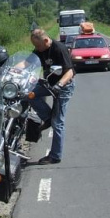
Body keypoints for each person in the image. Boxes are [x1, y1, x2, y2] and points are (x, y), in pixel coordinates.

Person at [29, 28, 75, 165]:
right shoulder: (39, 50)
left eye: (37, 45)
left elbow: (70, 72)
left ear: (45, 40)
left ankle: (55, 156)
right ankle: (47, 117)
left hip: (64, 87)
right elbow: (27, 63)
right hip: (49, 84)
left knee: (58, 123)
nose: (36, 48)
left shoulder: (59, 49)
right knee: (29, 95)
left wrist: (59, 85)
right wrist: (13, 70)